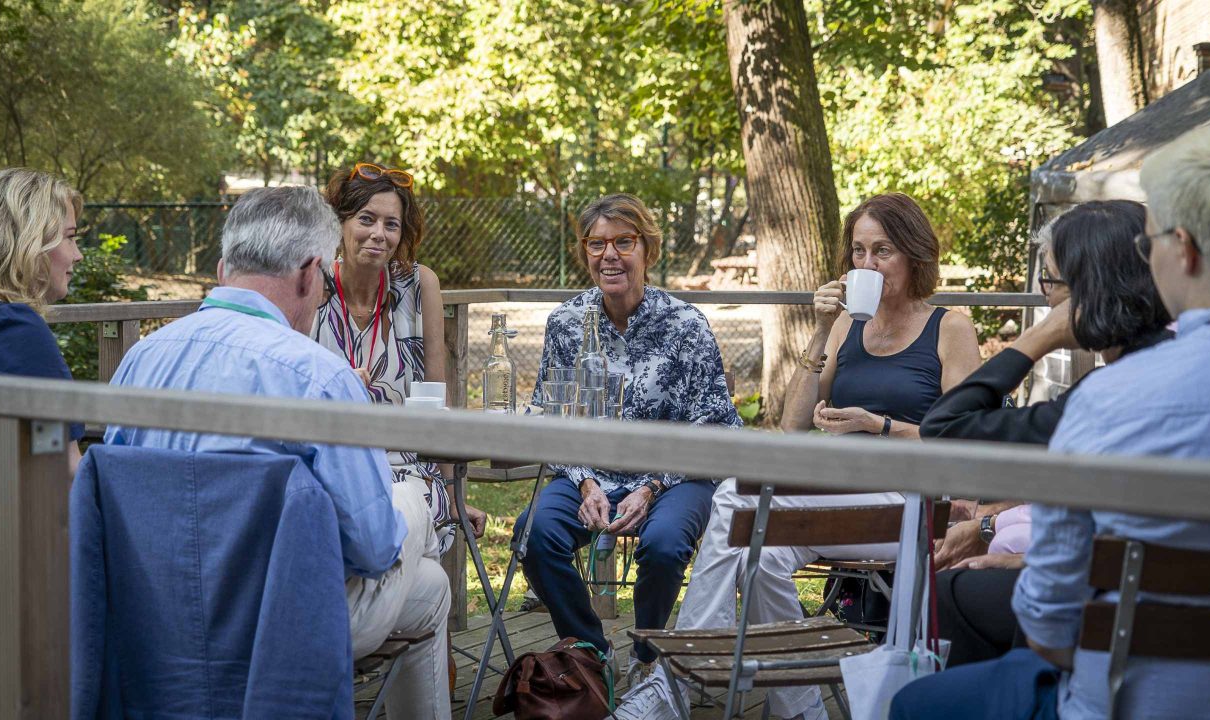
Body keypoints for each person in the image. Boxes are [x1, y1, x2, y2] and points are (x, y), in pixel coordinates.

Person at [891, 124, 1210, 720]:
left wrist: (1044, 332)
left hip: (1126, 701)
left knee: (918, 704)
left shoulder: (1108, 400)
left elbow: (1048, 628)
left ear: (1182, 249)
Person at [616, 192, 982, 720]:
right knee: (761, 558)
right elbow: (792, 424)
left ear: (914, 255)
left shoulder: (949, 328)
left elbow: (963, 438)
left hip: (913, 501)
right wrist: (817, 329)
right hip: (843, 490)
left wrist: (875, 425)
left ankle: (676, 680)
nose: (866, 264)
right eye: (857, 252)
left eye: (882, 252)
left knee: (734, 499)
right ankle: (801, 709)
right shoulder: (845, 324)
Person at [105, 186, 450, 718]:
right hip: (279, 622)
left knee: (430, 587)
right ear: (313, 274)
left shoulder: (142, 359)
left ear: (224, 267)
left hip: (157, 611)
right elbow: (374, 548)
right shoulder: (319, 376)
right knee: (411, 511)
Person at [918, 200, 1173, 667]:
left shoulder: (1102, 398)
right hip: (1171, 607)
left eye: (1050, 282)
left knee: (949, 594)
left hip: (1110, 627)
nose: (1045, 298)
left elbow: (945, 427)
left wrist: (1038, 338)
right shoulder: (1181, 363)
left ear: (1086, 293)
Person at [513, 193, 741, 684]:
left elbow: (718, 420)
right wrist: (584, 482)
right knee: (534, 535)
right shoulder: (566, 323)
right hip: (589, 474)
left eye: (623, 241)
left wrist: (653, 484)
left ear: (648, 250)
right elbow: (549, 417)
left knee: (662, 545)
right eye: (597, 244)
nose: (609, 254)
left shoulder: (686, 325)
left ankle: (647, 655)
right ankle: (592, 651)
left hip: (674, 478)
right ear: (585, 252)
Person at [311, 162, 485, 555]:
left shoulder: (418, 285)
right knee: (409, 565)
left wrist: (453, 493)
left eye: (392, 224)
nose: (379, 234)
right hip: (334, 470)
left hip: (410, 474)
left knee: (397, 524)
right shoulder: (312, 286)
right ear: (340, 223)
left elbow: (433, 400)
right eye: (366, 219)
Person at [0, 168, 86, 625]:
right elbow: (66, 471)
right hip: (16, 563)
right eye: (69, 238)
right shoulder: (8, 328)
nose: (77, 254)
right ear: (28, 243)